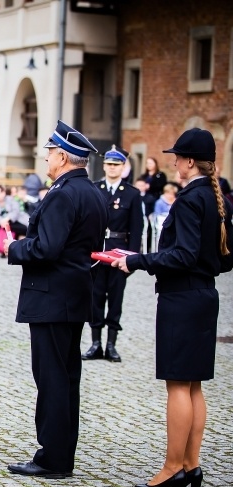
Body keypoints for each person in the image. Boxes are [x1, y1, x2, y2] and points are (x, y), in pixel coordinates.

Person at [112, 128, 231, 487]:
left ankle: (172, 467)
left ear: (190, 161)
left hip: (182, 299)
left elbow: (183, 255)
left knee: (178, 384)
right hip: (203, 294)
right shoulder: (216, 198)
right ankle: (191, 465)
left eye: (177, 157)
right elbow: (224, 258)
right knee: (193, 385)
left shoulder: (191, 199)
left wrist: (137, 261)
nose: (174, 163)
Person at [4, 120, 107, 478]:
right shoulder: (91, 191)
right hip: (73, 295)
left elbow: (47, 248)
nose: (46, 158)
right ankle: (62, 453)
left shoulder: (63, 193)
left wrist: (14, 247)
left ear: (62, 157)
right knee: (66, 378)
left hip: (51, 297)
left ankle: (52, 458)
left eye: (49, 153)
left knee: (52, 380)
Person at [82, 146, 143, 363]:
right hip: (98, 252)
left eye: (116, 165)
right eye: (109, 164)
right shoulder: (94, 188)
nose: (112, 168)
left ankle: (111, 344)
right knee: (96, 298)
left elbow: (136, 229)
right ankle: (95, 343)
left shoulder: (132, 194)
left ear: (123, 167)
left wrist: (132, 259)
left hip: (119, 253)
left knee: (116, 300)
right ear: (104, 165)